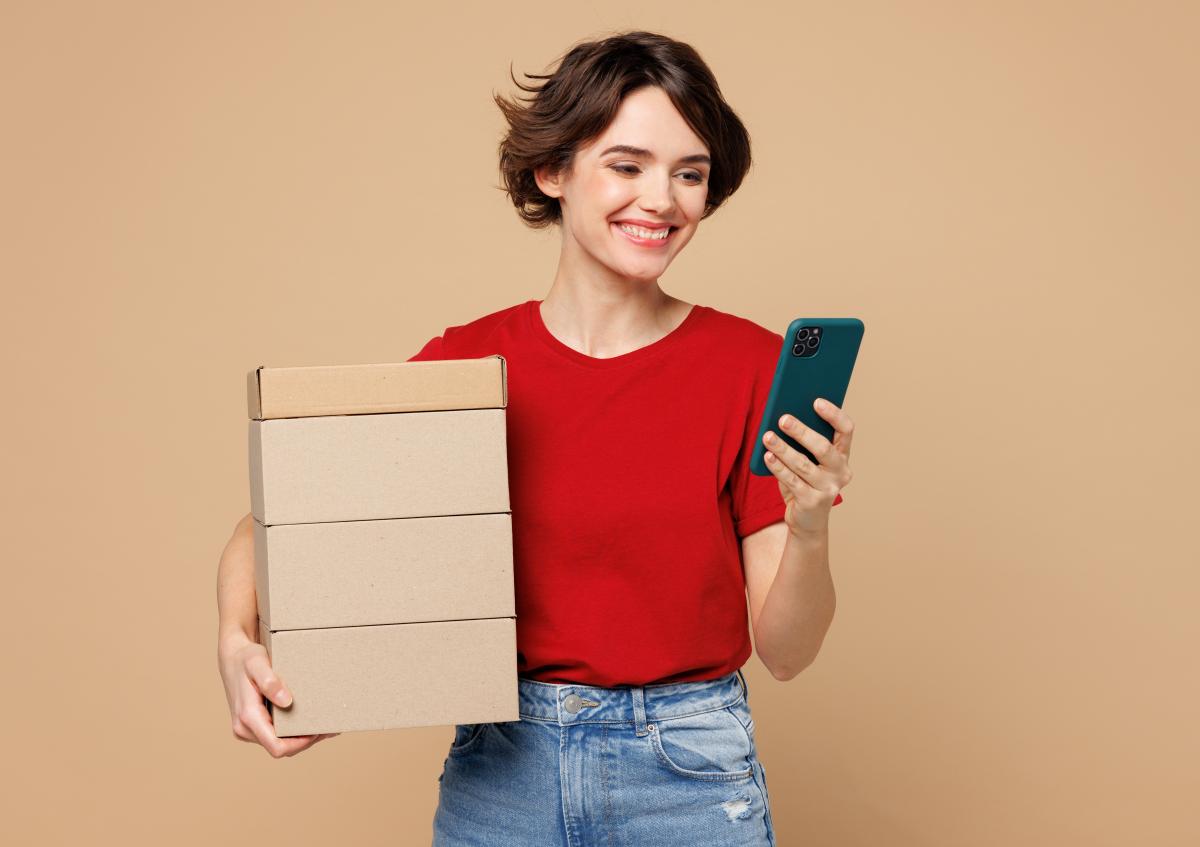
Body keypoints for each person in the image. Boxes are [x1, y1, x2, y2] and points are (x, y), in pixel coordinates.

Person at [217, 30, 854, 846]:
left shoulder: (751, 369)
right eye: (627, 165)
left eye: (688, 173)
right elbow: (270, 523)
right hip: (502, 769)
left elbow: (789, 651)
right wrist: (237, 640)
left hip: (687, 773)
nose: (661, 199)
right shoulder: (465, 368)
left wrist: (808, 524)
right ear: (552, 171)